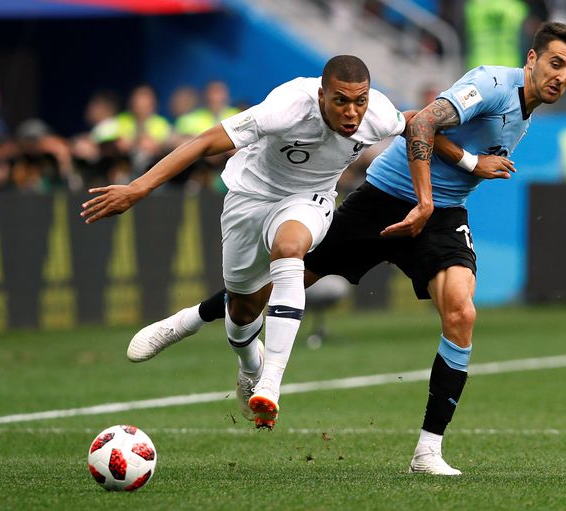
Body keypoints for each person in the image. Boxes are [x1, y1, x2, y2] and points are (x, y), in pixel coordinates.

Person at [124, 22, 566, 476]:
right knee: (264, 294)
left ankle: (428, 451)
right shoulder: (490, 84)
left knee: (462, 314)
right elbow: (425, 121)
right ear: (531, 58)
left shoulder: (524, 107)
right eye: (554, 63)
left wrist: (445, 192)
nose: (561, 77)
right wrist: (452, 175)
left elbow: (408, 121)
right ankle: (189, 321)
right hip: (384, 199)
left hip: (444, 215)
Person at [81, 55, 410, 431]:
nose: (352, 113)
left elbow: (417, 124)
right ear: (322, 96)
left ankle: (270, 383)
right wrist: (138, 188)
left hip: (310, 201)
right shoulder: (287, 107)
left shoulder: (380, 113)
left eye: (360, 101)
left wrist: (465, 162)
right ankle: (227, 350)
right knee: (242, 310)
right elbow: (206, 141)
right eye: (341, 101)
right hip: (250, 198)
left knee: (289, 250)